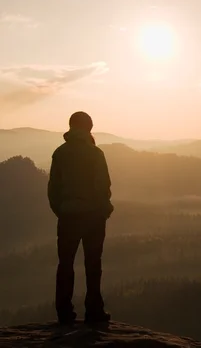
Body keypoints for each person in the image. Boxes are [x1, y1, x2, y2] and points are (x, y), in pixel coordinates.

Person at [48, 111, 114, 325]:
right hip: (93, 217)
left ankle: (64, 313)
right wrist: (104, 210)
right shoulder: (95, 154)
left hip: (68, 216)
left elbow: (53, 189)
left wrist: (62, 210)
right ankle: (94, 311)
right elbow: (102, 187)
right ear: (88, 128)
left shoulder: (60, 153)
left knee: (65, 264)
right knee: (93, 265)